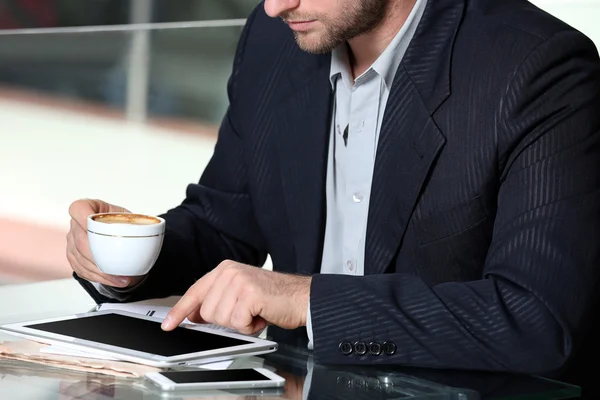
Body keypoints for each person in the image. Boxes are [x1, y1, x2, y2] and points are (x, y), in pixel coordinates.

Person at [67, 0, 600, 394]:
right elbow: (225, 222)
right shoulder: (277, 39)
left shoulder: (536, 68)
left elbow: (536, 319)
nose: (277, 6)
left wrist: (306, 299)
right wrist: (122, 257)